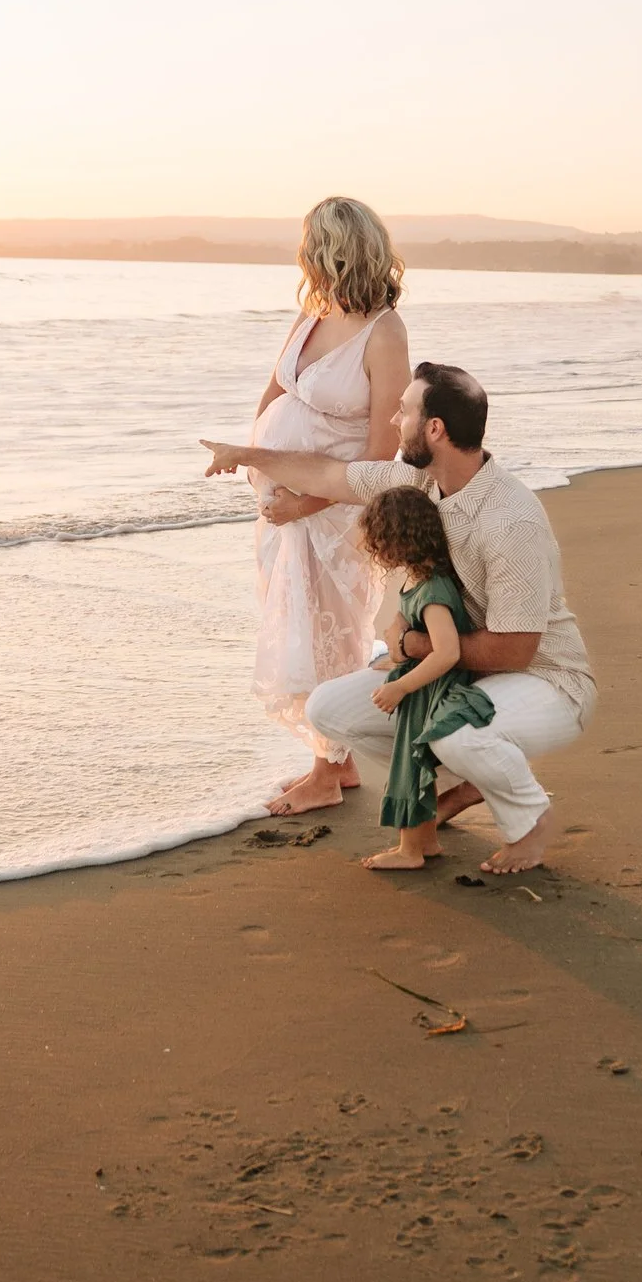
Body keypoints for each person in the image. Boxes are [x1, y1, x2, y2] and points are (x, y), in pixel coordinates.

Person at [203, 363, 595, 874]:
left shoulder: (509, 518)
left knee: (455, 730)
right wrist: (244, 455)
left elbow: (514, 651)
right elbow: (327, 475)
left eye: (404, 411)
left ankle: (529, 821)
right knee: (331, 709)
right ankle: (461, 783)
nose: (392, 420)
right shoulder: (416, 480)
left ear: (435, 429)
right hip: (457, 671)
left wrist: (411, 649)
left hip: (544, 681)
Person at [245, 196, 411, 817]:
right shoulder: (310, 314)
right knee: (296, 625)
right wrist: (261, 466)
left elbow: (381, 449)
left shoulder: (384, 330)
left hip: (334, 508)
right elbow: (273, 393)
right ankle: (332, 763)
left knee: (330, 632)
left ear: (336, 250)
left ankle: (326, 771)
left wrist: (308, 502)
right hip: (283, 507)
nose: (306, 259)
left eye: (312, 246)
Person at [354, 486, 494, 871]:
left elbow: (448, 651)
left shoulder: (432, 589)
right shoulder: (416, 578)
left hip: (434, 689)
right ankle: (426, 842)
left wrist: (402, 686)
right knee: (411, 761)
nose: (375, 547)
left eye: (378, 538)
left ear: (397, 539)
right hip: (422, 684)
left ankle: (409, 851)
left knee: (410, 763)